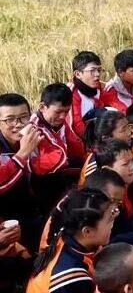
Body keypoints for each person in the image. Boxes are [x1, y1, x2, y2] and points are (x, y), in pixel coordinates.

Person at [27, 188, 114, 293]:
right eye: (109, 220)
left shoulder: (63, 233)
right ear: (87, 231)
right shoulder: (74, 279)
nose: (112, 225)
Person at [30, 83, 86, 214]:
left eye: (66, 111)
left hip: (59, 170)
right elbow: (39, 165)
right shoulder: (33, 128)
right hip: (40, 181)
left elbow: (75, 145)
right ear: (42, 107)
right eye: (58, 111)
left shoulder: (57, 122)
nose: (63, 116)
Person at [0, 93, 44, 253]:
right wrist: (23, 153)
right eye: (9, 119)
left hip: (34, 206)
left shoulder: (35, 135)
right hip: (8, 215)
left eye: (24, 117)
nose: (18, 124)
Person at [68, 51, 105, 138]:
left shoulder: (99, 88)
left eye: (99, 70)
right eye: (92, 70)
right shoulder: (72, 94)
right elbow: (76, 125)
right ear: (78, 74)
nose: (97, 74)